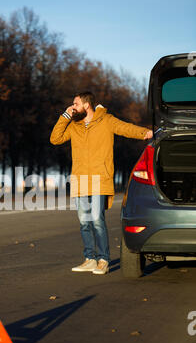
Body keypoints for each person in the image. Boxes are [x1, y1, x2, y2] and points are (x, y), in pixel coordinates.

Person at [50, 91, 153, 275]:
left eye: (75, 104)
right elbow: (55, 138)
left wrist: (144, 133)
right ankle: (90, 258)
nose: (73, 107)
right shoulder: (74, 125)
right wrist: (66, 116)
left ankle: (103, 259)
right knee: (84, 221)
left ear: (86, 104)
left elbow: (125, 128)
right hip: (80, 178)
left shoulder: (106, 120)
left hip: (99, 178)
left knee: (97, 219)